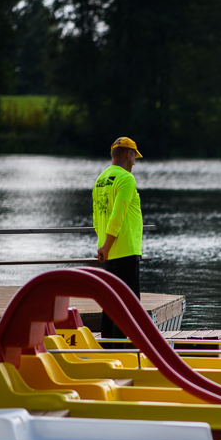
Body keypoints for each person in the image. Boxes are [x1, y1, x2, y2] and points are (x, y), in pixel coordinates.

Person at [93, 136, 144, 339]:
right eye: (134, 156)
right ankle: (124, 354)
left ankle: (108, 349)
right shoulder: (126, 178)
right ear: (127, 154)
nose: (134, 161)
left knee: (111, 304)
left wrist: (104, 247)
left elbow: (97, 217)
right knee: (129, 306)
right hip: (125, 250)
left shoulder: (100, 180)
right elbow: (118, 215)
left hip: (108, 253)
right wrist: (108, 245)